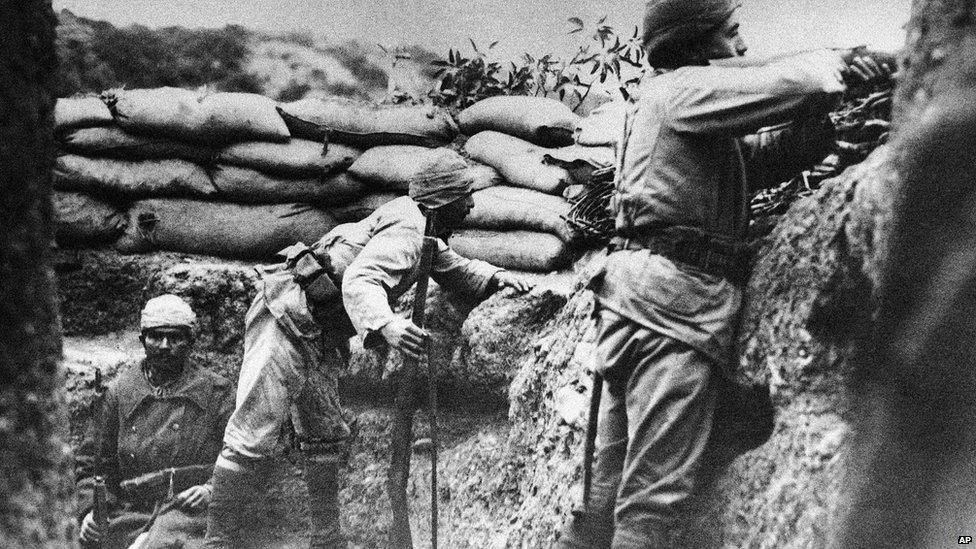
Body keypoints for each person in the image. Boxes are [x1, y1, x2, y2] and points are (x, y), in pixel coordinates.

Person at [555, 1, 894, 547]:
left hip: (642, 303)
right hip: (673, 309)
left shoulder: (682, 108)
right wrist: (843, 65)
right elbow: (779, 84)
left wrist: (821, 130)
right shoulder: (681, 90)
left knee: (604, 500)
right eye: (731, 35)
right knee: (652, 507)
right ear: (694, 45)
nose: (741, 49)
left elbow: (758, 159)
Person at [204, 153, 532, 549]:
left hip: (320, 328)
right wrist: (388, 324)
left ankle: (326, 540)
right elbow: (361, 279)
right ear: (443, 202)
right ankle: (215, 542)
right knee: (253, 433)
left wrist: (497, 277)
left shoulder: (421, 228)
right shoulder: (409, 232)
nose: (472, 206)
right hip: (287, 315)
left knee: (323, 432)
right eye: (466, 197)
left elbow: (452, 267)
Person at [76, 294, 235, 549]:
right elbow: (92, 465)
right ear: (143, 341)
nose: (164, 345)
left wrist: (210, 488)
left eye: (175, 338)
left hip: (190, 513)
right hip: (128, 513)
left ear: (190, 342)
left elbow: (238, 456)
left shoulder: (217, 393)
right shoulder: (120, 392)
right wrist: (89, 512)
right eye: (155, 336)